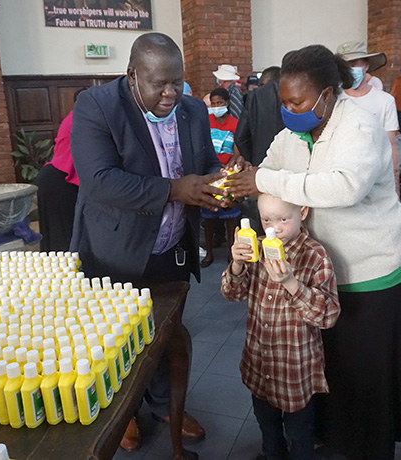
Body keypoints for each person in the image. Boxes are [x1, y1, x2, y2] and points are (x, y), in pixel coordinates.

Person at [225, 44, 401, 459]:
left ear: (328, 94)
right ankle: (328, 435)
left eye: (298, 101)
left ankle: (367, 447)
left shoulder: (361, 128)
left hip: (372, 268)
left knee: (364, 371)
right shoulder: (293, 134)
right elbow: (267, 172)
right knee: (329, 363)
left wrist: (265, 178)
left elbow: (343, 187)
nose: (289, 108)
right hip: (321, 266)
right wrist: (239, 179)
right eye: (283, 101)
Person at [69, 32, 224, 451]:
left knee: (165, 336)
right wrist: (176, 190)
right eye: (159, 84)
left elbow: (205, 162)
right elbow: (100, 182)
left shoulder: (192, 109)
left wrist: (216, 181)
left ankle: (165, 405)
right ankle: (126, 415)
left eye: (178, 82)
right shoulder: (97, 107)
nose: (171, 93)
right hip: (116, 253)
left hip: (172, 247)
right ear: (133, 75)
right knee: (116, 342)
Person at [221, 193, 340, 460]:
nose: (274, 228)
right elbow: (232, 294)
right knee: (267, 425)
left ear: (303, 212)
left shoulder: (315, 256)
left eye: (283, 219)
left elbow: (328, 316)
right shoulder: (257, 248)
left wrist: (290, 282)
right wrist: (238, 264)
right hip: (260, 362)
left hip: (294, 369)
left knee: (300, 432)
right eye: (266, 220)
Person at [337, 40, 400, 193]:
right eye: (344, 66)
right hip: (341, 175)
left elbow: (390, 145)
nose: (349, 70)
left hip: (377, 176)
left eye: (353, 64)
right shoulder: (333, 99)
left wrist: (395, 186)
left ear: (366, 65)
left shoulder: (385, 101)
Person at [235, 65, 285, 232]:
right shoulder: (295, 95)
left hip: (260, 173)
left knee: (261, 223)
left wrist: (254, 160)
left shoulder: (254, 97)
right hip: (290, 174)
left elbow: (240, 137)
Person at [36, 88, 86, 252]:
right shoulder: (83, 120)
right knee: (66, 233)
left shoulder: (71, 117)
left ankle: (58, 270)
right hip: (62, 181)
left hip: (52, 177)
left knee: (54, 230)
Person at [201, 87, 241, 267]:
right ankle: (209, 253)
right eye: (214, 103)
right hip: (209, 173)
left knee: (230, 216)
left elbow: (237, 150)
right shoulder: (205, 122)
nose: (216, 107)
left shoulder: (235, 123)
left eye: (220, 103)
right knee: (208, 216)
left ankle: (231, 253)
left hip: (228, 173)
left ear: (227, 103)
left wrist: (231, 167)